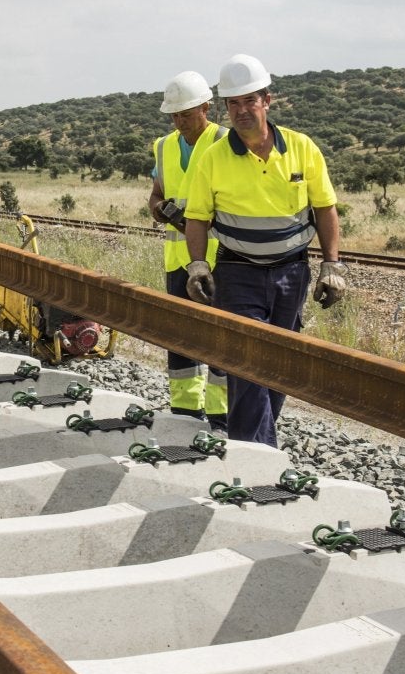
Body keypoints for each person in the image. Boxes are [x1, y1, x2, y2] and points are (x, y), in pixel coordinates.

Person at [182, 54, 348, 447]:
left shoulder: (302, 148)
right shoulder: (214, 158)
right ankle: (257, 454)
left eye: (249, 101)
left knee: (281, 363)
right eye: (233, 103)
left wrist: (332, 265)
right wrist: (198, 265)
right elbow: (197, 218)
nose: (242, 110)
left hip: (292, 272)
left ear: (267, 101)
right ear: (226, 108)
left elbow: (325, 208)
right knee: (247, 361)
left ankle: (257, 444)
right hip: (237, 273)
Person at [147, 71, 229, 426]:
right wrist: (159, 209)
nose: (179, 122)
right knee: (180, 337)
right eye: (174, 115)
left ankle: (221, 415)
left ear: (206, 108)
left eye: (186, 114)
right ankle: (185, 412)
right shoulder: (164, 146)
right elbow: (156, 194)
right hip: (177, 261)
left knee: (219, 337)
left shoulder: (224, 141)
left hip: (218, 260)